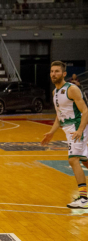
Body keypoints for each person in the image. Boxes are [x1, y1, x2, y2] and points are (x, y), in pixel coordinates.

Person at [41, 61, 88, 209]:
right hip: (68, 129)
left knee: (73, 160)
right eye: (52, 71)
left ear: (64, 74)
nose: (53, 74)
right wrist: (51, 133)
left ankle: (84, 198)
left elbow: (85, 111)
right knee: (85, 160)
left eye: (57, 71)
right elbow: (59, 116)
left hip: (77, 127)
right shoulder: (55, 92)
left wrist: (80, 130)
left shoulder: (72, 89)